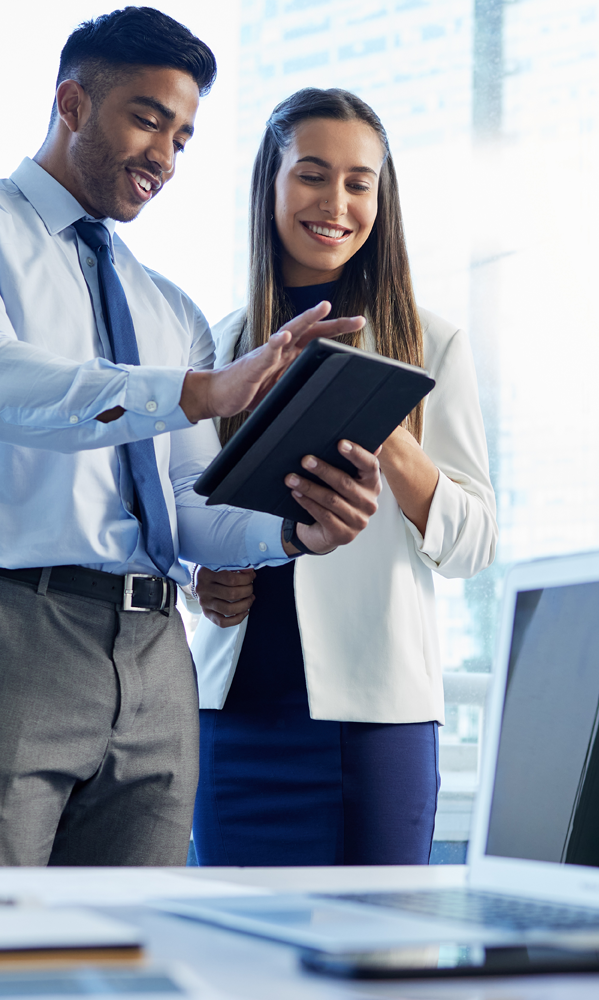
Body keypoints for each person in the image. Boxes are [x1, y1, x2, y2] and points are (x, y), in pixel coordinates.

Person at [0, 9, 381, 868]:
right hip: (6, 630)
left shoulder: (169, 309)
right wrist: (195, 392)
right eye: (147, 119)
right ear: (72, 103)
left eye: (183, 137)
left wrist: (293, 530)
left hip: (156, 658)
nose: (165, 156)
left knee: (129, 957)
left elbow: (187, 506)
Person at [189, 88, 497, 867]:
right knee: (238, 976)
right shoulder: (218, 345)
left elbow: (475, 544)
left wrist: (390, 433)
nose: (336, 202)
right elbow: (186, 516)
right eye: (313, 175)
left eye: (360, 182)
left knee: (381, 973)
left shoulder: (433, 343)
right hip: (235, 714)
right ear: (271, 184)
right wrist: (202, 576)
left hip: (377, 722)